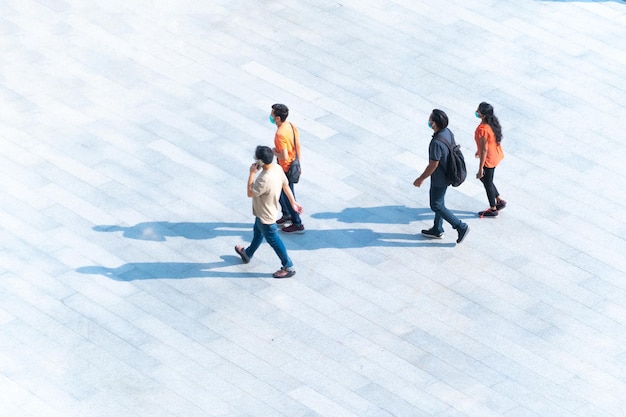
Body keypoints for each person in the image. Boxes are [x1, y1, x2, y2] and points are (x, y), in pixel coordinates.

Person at [235, 146, 303, 278]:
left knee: (275, 241)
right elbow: (285, 184)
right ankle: (247, 253)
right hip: (264, 213)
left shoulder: (263, 179)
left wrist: (252, 173)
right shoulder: (277, 168)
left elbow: (250, 193)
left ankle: (288, 266)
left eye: (256, 158)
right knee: (257, 233)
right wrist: (293, 202)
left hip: (266, 217)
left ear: (260, 161)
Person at [413, 109, 470, 244]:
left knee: (436, 205)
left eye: (430, 119)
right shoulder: (447, 132)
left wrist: (420, 179)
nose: (428, 121)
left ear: (434, 123)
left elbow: (433, 165)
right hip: (448, 174)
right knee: (440, 202)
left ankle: (460, 226)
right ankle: (437, 229)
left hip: (440, 178)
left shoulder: (436, 143)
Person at [270, 103, 305, 234]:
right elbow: (298, 146)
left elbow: (284, 155)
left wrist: (274, 152)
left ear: (278, 118)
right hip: (293, 164)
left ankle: (297, 223)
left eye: (272, 114)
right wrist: (298, 163)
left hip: (284, 168)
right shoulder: (290, 125)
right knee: (281, 192)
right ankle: (287, 214)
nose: (271, 116)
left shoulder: (280, 134)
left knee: (288, 194)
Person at [474, 102, 506, 217]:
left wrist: (480, 168)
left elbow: (484, 150)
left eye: (478, 111)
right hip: (495, 154)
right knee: (486, 180)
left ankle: (493, 209)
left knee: (486, 182)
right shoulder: (492, 124)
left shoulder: (483, 129)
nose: (476, 112)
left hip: (489, 160)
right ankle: (499, 200)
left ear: (484, 115)